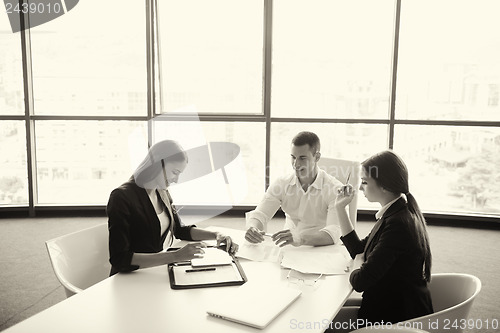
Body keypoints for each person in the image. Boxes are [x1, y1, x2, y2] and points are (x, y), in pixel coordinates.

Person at [107, 140, 238, 276]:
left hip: (152, 272)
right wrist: (175, 256)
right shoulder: (121, 197)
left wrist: (216, 235)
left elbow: (180, 230)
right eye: (175, 172)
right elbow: (120, 259)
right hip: (129, 278)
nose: (176, 180)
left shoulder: (162, 192)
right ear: (157, 164)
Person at [333, 150, 433, 328]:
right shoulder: (397, 212)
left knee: (322, 325)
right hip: (391, 307)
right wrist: (341, 208)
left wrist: (358, 264)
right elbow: (359, 250)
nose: (360, 187)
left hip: (396, 320)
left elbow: (360, 281)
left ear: (384, 186)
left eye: (364, 182)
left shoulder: (398, 224)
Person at [245, 131, 342, 247]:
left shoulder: (334, 188)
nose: (296, 164)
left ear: (317, 157)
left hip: (322, 248)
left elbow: (334, 233)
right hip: (289, 247)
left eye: (302, 158)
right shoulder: (282, 183)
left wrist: (300, 239)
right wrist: (252, 227)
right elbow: (260, 214)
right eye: (293, 157)